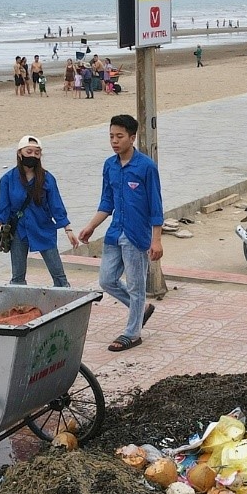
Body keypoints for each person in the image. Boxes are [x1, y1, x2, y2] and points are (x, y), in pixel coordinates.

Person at [78, 114, 164, 352]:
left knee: (137, 286)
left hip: (137, 235)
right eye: (111, 137)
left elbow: (156, 206)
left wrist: (156, 240)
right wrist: (91, 226)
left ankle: (133, 333)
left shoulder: (146, 167)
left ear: (132, 138)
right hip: (115, 233)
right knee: (106, 280)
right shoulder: (110, 166)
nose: (114, 141)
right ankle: (141, 309)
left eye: (119, 136)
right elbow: (107, 202)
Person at [0, 136, 77, 286]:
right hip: (19, 231)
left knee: (59, 276)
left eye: (37, 153)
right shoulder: (7, 179)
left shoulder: (47, 178)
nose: (33, 156)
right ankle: (18, 300)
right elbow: (2, 209)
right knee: (17, 278)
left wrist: (68, 230)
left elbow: (57, 206)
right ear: (19, 153)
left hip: (43, 229)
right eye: (29, 152)